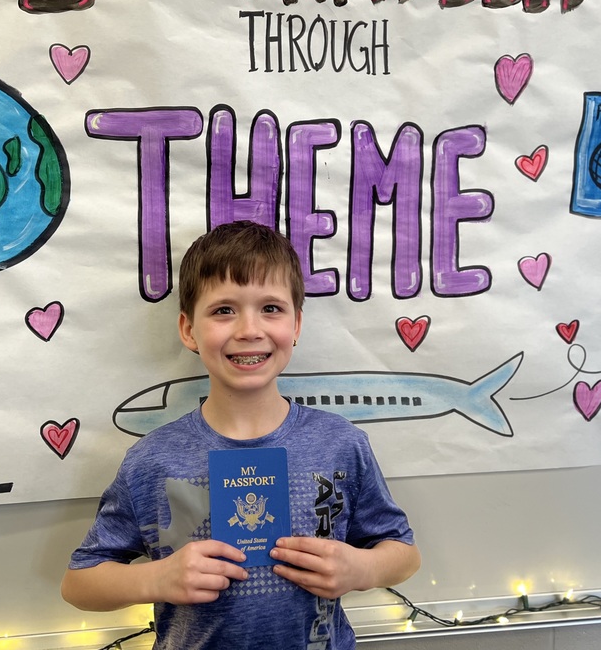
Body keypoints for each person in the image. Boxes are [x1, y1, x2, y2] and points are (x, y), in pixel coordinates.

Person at [61, 220, 420, 649]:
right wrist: (155, 578)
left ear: (297, 324)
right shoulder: (152, 459)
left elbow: (403, 553)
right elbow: (78, 584)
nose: (249, 330)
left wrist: (363, 570)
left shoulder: (341, 444)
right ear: (189, 329)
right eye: (223, 310)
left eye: (271, 308)